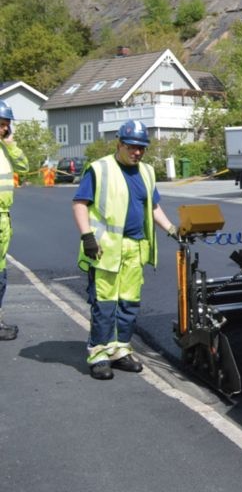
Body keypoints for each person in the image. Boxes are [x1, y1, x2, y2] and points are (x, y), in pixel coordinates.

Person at [72, 119, 177, 380]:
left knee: (129, 303)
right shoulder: (99, 169)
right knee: (104, 304)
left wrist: (172, 229)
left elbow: (153, 207)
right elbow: (80, 204)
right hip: (104, 250)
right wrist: (87, 236)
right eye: (131, 147)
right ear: (119, 144)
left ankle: (120, 350)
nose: (137, 152)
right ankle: (98, 354)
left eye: (141, 148)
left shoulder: (147, 172)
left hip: (134, 248)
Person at [0, 100, 29, 340]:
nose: (2, 129)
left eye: (5, 125)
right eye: (0, 124)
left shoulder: (4, 148)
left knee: (0, 274)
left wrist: (10, 144)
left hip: (3, 219)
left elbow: (24, 166)